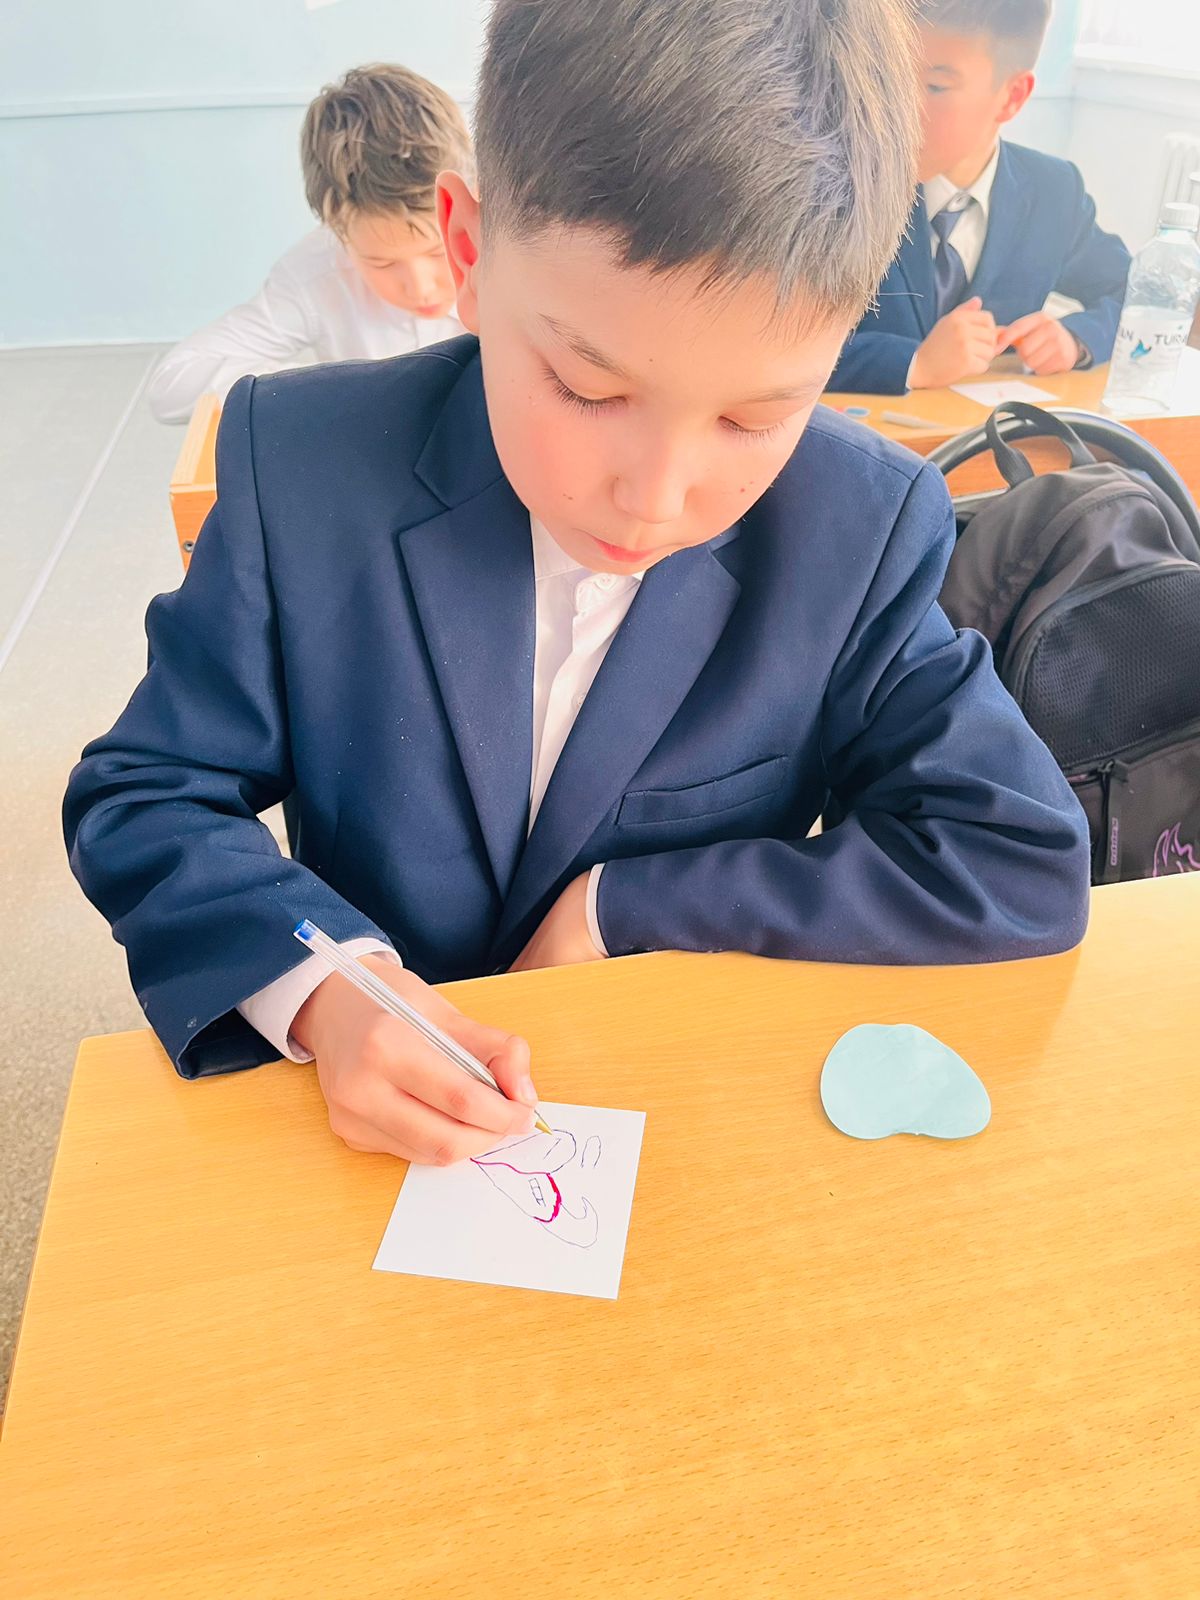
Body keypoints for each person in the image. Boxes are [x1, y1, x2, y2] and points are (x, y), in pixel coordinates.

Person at [65, 0, 1090, 1168]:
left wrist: (626, 908)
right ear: (466, 252)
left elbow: (1016, 853)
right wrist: (328, 987)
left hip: (660, 1132)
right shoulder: (302, 465)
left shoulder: (855, 528)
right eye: (589, 389)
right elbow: (145, 793)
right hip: (350, 1141)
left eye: (755, 417)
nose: (654, 497)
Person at [828, 0, 1130, 394]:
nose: (899, 107)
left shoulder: (1052, 193)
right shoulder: (840, 178)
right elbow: (771, 339)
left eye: (935, 87)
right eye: (893, 78)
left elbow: (1135, 293)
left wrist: (1076, 339)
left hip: (986, 427)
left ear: (1012, 97)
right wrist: (913, 363)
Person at [146, 64, 468, 424]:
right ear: (335, 227)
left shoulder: (512, 244)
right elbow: (170, 386)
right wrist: (320, 389)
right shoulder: (316, 274)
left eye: (439, 251)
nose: (422, 288)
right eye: (382, 263)